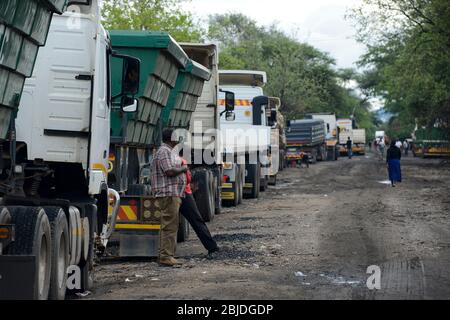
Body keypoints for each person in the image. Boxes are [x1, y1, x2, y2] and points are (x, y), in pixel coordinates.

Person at [151, 128, 188, 267]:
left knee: (171, 224)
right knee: (169, 225)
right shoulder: (164, 151)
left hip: (173, 193)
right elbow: (169, 171)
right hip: (168, 193)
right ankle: (166, 256)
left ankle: (167, 255)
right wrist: (184, 169)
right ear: (171, 139)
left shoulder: (168, 151)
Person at [180, 158, 220, 256]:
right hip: (184, 193)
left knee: (169, 226)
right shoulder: (181, 161)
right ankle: (212, 247)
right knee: (196, 220)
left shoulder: (161, 157)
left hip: (168, 195)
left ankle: (166, 253)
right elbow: (188, 178)